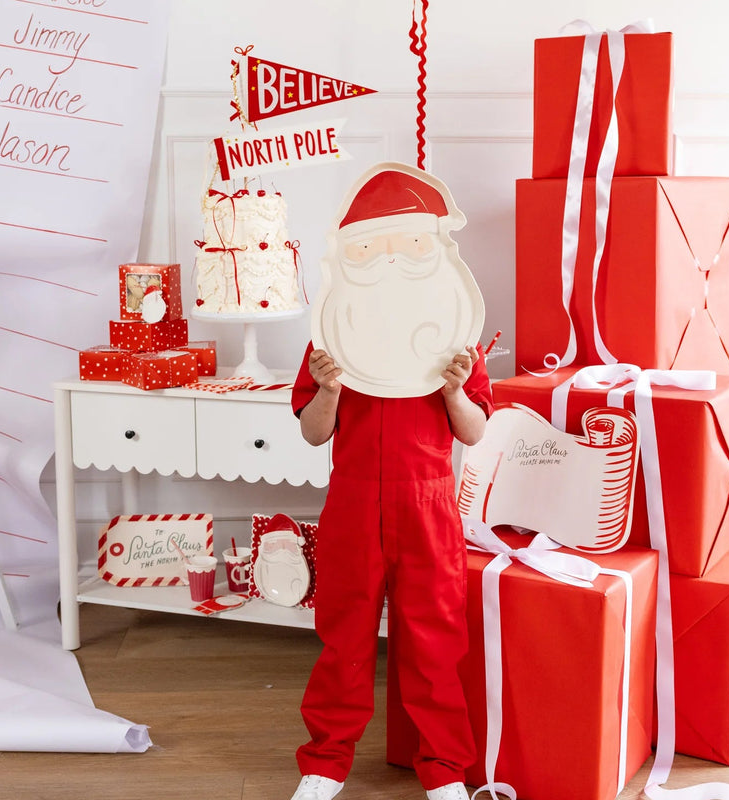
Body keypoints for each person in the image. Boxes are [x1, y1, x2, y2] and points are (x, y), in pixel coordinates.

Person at [289, 163, 493, 800]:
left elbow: (474, 432)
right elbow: (314, 433)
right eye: (372, 250)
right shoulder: (333, 339)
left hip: (427, 505)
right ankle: (325, 764)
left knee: (434, 641)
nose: (390, 262)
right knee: (343, 637)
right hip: (353, 503)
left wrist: (456, 391)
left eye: (408, 247)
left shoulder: (455, 343)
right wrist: (328, 388)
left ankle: (445, 769)